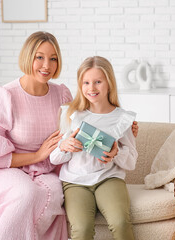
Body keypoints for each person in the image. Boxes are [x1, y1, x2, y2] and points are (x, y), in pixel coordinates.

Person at [0, 31, 72, 240]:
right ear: (28, 57)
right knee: (26, 192)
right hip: (4, 170)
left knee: (54, 192)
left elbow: (76, 128)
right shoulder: (6, 95)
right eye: (40, 57)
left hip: (45, 171)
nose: (47, 65)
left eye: (53, 59)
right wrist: (37, 155)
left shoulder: (61, 94)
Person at [50, 56, 138, 240]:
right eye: (86, 82)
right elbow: (54, 158)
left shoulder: (123, 118)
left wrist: (116, 153)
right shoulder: (71, 114)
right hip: (75, 182)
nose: (92, 88)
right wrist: (64, 147)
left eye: (98, 81)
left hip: (108, 178)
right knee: (82, 229)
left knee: (120, 222)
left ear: (109, 84)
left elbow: (131, 162)